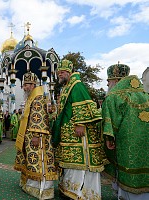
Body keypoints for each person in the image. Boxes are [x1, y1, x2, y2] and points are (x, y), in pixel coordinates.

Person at [52, 59, 107, 199]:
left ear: (69, 72)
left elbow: (82, 103)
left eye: (62, 72)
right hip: (68, 133)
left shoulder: (76, 85)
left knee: (80, 165)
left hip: (77, 133)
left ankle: (80, 193)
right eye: (59, 73)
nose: (60, 75)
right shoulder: (67, 86)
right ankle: (69, 189)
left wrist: (81, 123)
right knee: (71, 164)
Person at [102, 63, 149, 200]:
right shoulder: (145, 94)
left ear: (116, 80)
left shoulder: (114, 97)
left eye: (109, 81)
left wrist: (108, 140)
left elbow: (110, 125)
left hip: (126, 148)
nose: (108, 85)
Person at [14, 72, 57, 199]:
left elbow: (38, 118)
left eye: (26, 85)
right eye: (24, 84)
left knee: (38, 161)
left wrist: (37, 135)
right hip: (30, 135)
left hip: (37, 136)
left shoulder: (37, 97)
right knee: (30, 161)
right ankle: (30, 184)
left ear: (33, 85)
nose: (24, 87)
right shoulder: (31, 97)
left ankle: (41, 189)